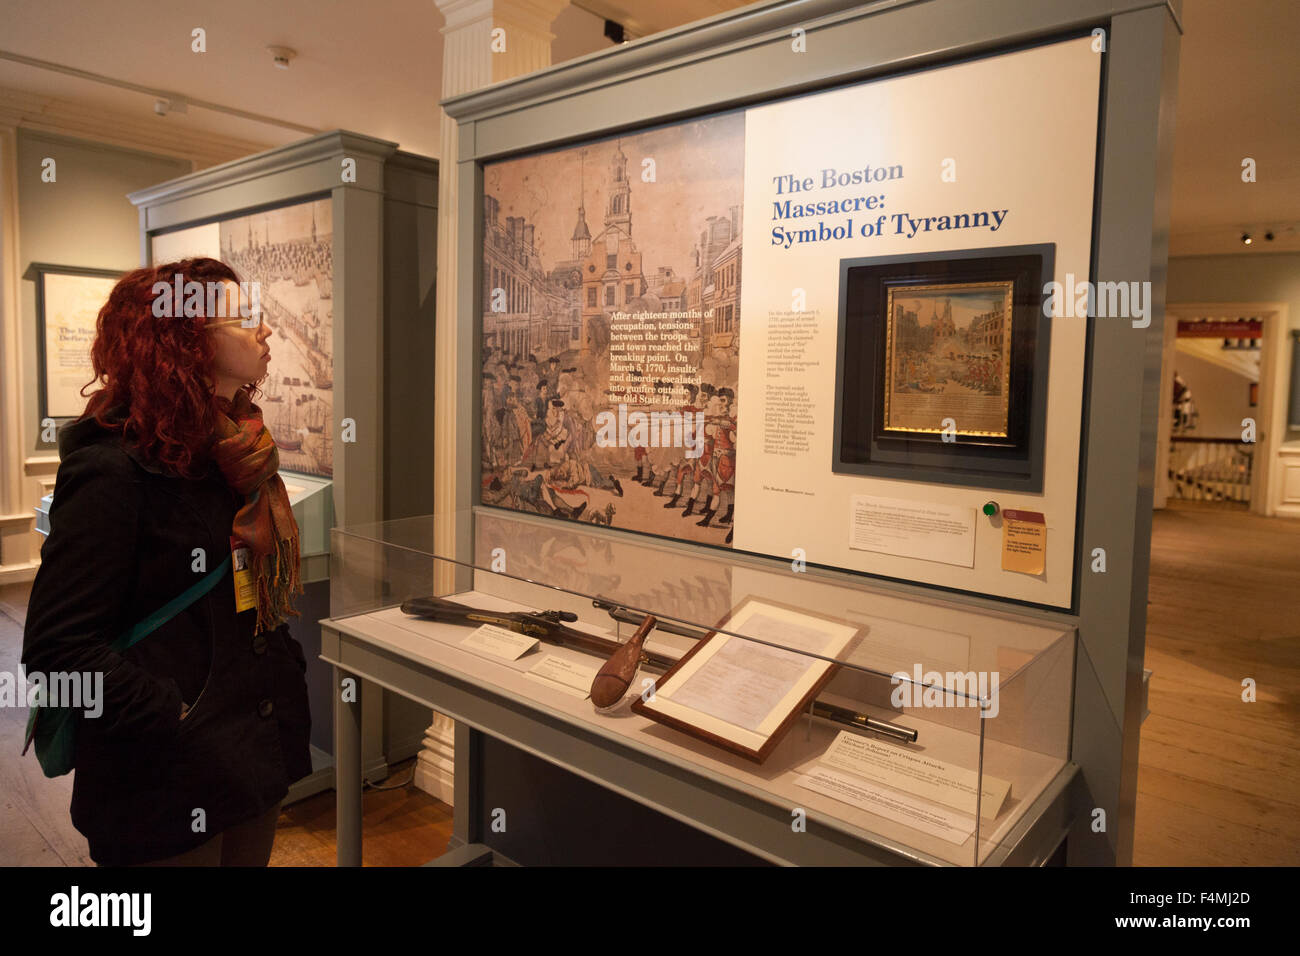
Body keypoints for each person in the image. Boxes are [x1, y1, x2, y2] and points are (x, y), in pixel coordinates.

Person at [21, 257, 312, 867]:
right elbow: (59, 649)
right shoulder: (113, 468)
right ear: (187, 340)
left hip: (247, 756)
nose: (266, 333)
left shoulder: (235, 453)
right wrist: (171, 715)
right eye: (246, 319)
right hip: (165, 775)